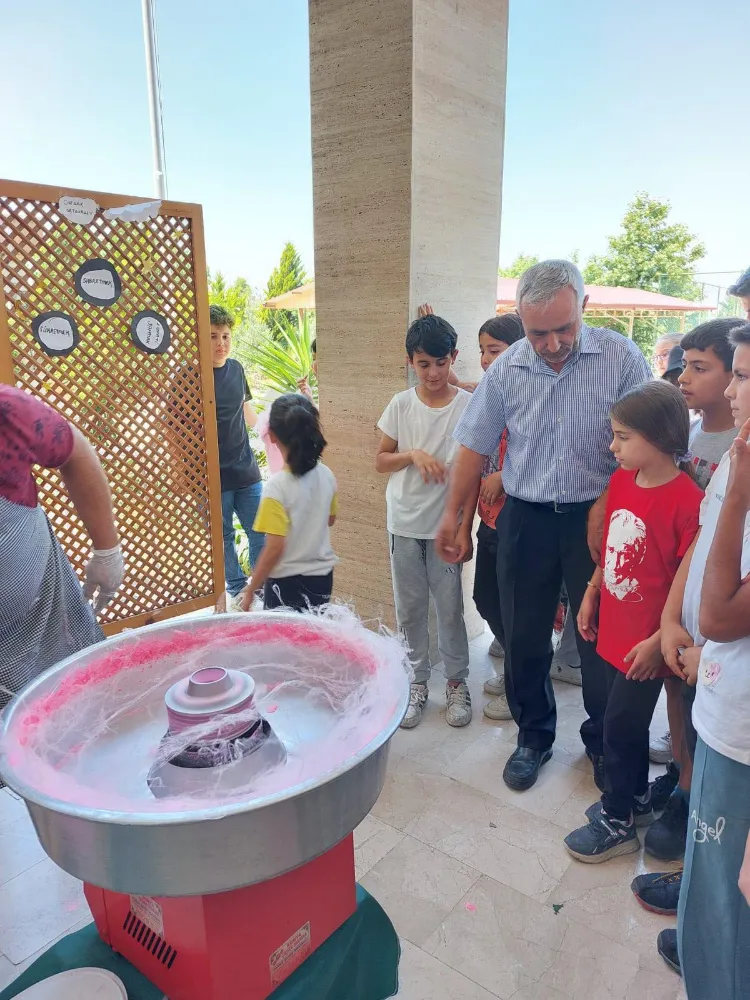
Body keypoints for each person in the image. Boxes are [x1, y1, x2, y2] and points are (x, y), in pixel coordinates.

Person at [438, 259, 652, 791]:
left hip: (599, 518)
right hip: (526, 518)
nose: (553, 344)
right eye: (538, 333)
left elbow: (649, 445)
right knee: (523, 635)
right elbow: (472, 448)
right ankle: (533, 735)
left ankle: (602, 740)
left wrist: (608, 499)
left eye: (564, 328)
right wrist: (454, 520)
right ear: (520, 319)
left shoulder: (621, 358)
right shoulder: (508, 368)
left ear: (584, 307)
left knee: (601, 638)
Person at [562, 381, 702, 862]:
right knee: (615, 720)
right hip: (613, 629)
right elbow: (612, 551)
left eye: (622, 437)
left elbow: (688, 588)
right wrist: (591, 592)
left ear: (659, 437)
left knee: (622, 728)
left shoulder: (689, 502)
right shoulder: (624, 481)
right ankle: (635, 795)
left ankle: (617, 819)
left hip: (648, 644)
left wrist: (658, 640)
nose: (612, 446)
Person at [668, 320, 750, 998]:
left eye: (743, 377)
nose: (733, 392)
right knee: (709, 866)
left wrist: (742, 487)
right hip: (720, 691)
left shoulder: (741, 464)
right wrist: (673, 621)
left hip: (742, 726)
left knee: (729, 897)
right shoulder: (733, 458)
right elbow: (701, 548)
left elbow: (723, 613)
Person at [646, 317, 746, 852]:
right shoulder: (711, 446)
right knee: (680, 702)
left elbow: (726, 612)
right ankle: (684, 779)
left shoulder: (738, 448)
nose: (685, 377)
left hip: (723, 643)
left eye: (701, 367)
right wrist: (668, 618)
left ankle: (691, 796)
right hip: (685, 611)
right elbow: (699, 536)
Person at [0, 385, 123, 712]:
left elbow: (74, 450)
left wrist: (107, 551)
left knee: (86, 707)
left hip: (50, 619)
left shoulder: (6, 411)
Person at [376, 313, 472, 730]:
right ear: (410, 362)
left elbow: (473, 474)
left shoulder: (467, 406)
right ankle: (416, 683)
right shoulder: (401, 404)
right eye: (423, 364)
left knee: (450, 609)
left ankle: (456, 683)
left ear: (454, 357)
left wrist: (465, 527)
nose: (433, 373)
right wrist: (413, 455)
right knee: (410, 610)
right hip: (403, 523)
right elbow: (381, 460)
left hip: (445, 529)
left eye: (441, 363)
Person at [238, 394, 337, 612]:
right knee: (313, 630)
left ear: (272, 436)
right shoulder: (326, 474)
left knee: (283, 634)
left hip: (286, 583)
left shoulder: (276, 488)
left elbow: (274, 548)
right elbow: (330, 519)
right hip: (322, 578)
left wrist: (251, 589)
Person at [472, 314, 524, 721]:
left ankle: (519, 686)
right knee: (485, 599)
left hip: (520, 520)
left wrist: (504, 476)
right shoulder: (490, 394)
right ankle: (517, 670)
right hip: (489, 518)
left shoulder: (533, 395)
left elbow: (549, 451)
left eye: (495, 350)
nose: (487, 360)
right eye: (482, 351)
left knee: (515, 610)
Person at [210, 304, 265, 610]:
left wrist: (273, 433)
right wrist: (183, 473)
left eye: (226, 336)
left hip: (246, 471)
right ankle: (236, 588)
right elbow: (172, 425)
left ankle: (260, 587)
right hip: (212, 477)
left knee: (260, 531)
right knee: (223, 538)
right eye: (213, 336)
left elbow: (246, 411)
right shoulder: (189, 375)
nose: (221, 343)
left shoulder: (237, 369)